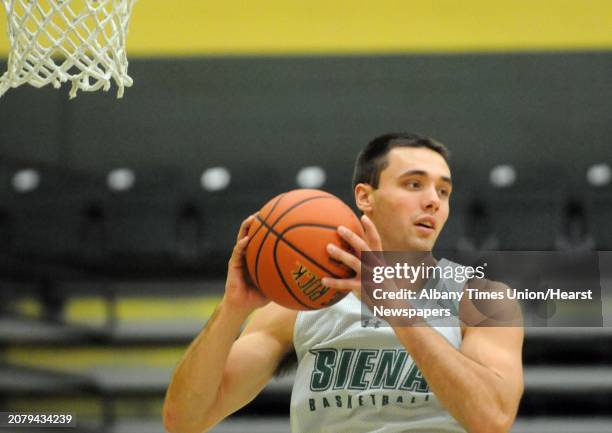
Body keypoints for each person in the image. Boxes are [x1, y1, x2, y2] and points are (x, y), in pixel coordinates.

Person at [162, 133, 524, 433]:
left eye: (443, 191)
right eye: (414, 184)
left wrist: (391, 303)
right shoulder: (297, 305)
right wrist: (231, 309)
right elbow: (184, 422)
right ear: (365, 196)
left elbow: (491, 419)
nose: (432, 201)